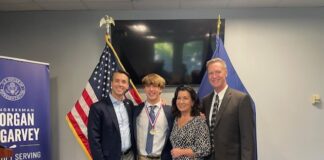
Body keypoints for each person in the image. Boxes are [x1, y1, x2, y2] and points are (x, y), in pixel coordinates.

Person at [201, 58, 256, 160]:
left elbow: (247, 139)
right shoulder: (205, 101)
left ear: (226, 73)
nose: (214, 76)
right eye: (210, 73)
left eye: (218, 72)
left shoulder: (241, 99)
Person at [88, 70, 135, 160]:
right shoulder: (97, 108)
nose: (120, 84)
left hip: (130, 156)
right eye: (117, 81)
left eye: (124, 82)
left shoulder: (129, 105)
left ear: (127, 86)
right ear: (111, 83)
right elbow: (94, 140)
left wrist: (160, 103)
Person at [133, 73, 174, 160]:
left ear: (161, 89)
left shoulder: (170, 112)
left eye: (155, 86)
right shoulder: (136, 110)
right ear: (144, 88)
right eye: (148, 86)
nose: (151, 89)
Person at [170, 85, 210, 160]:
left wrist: (182, 152)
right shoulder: (175, 119)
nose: (181, 101)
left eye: (185, 98)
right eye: (178, 98)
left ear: (192, 102)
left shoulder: (199, 121)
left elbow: (205, 149)